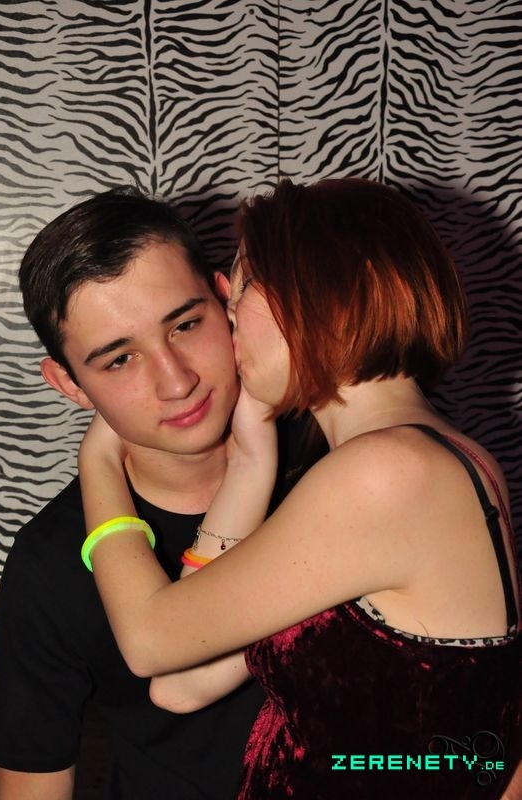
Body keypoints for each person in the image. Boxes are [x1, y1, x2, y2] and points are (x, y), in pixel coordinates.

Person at [77, 177, 521, 800]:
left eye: (247, 283)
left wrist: (97, 462)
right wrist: (250, 461)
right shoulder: (415, 461)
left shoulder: (388, 473)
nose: (229, 309)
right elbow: (180, 686)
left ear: (328, 290)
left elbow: (150, 640)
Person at [0, 186, 315, 800]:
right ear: (69, 384)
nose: (176, 381)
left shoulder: (341, 465)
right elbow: (30, 786)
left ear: (225, 299)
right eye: (119, 359)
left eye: (186, 325)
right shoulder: (49, 561)